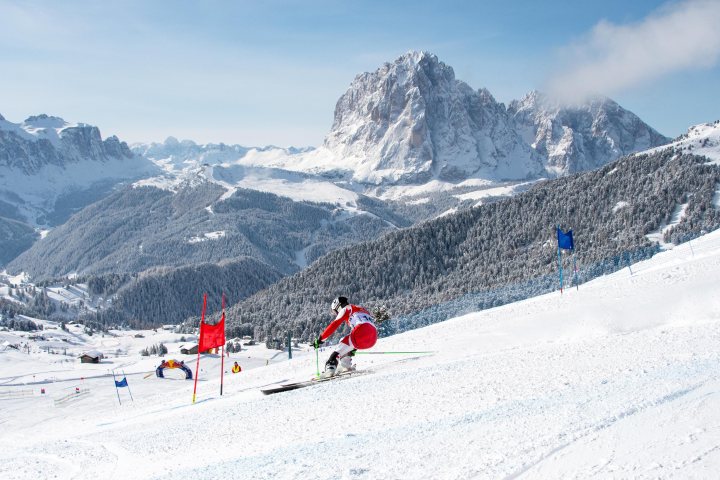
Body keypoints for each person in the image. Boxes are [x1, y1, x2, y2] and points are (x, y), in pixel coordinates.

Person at [312, 296, 377, 377]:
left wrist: (320, 339)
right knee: (344, 341)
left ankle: (330, 370)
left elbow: (334, 324)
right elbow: (367, 327)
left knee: (336, 354)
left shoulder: (346, 309)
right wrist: (353, 348)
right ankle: (346, 365)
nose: (336, 314)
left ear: (338, 307)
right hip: (373, 337)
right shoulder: (361, 309)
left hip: (360, 332)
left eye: (335, 311)